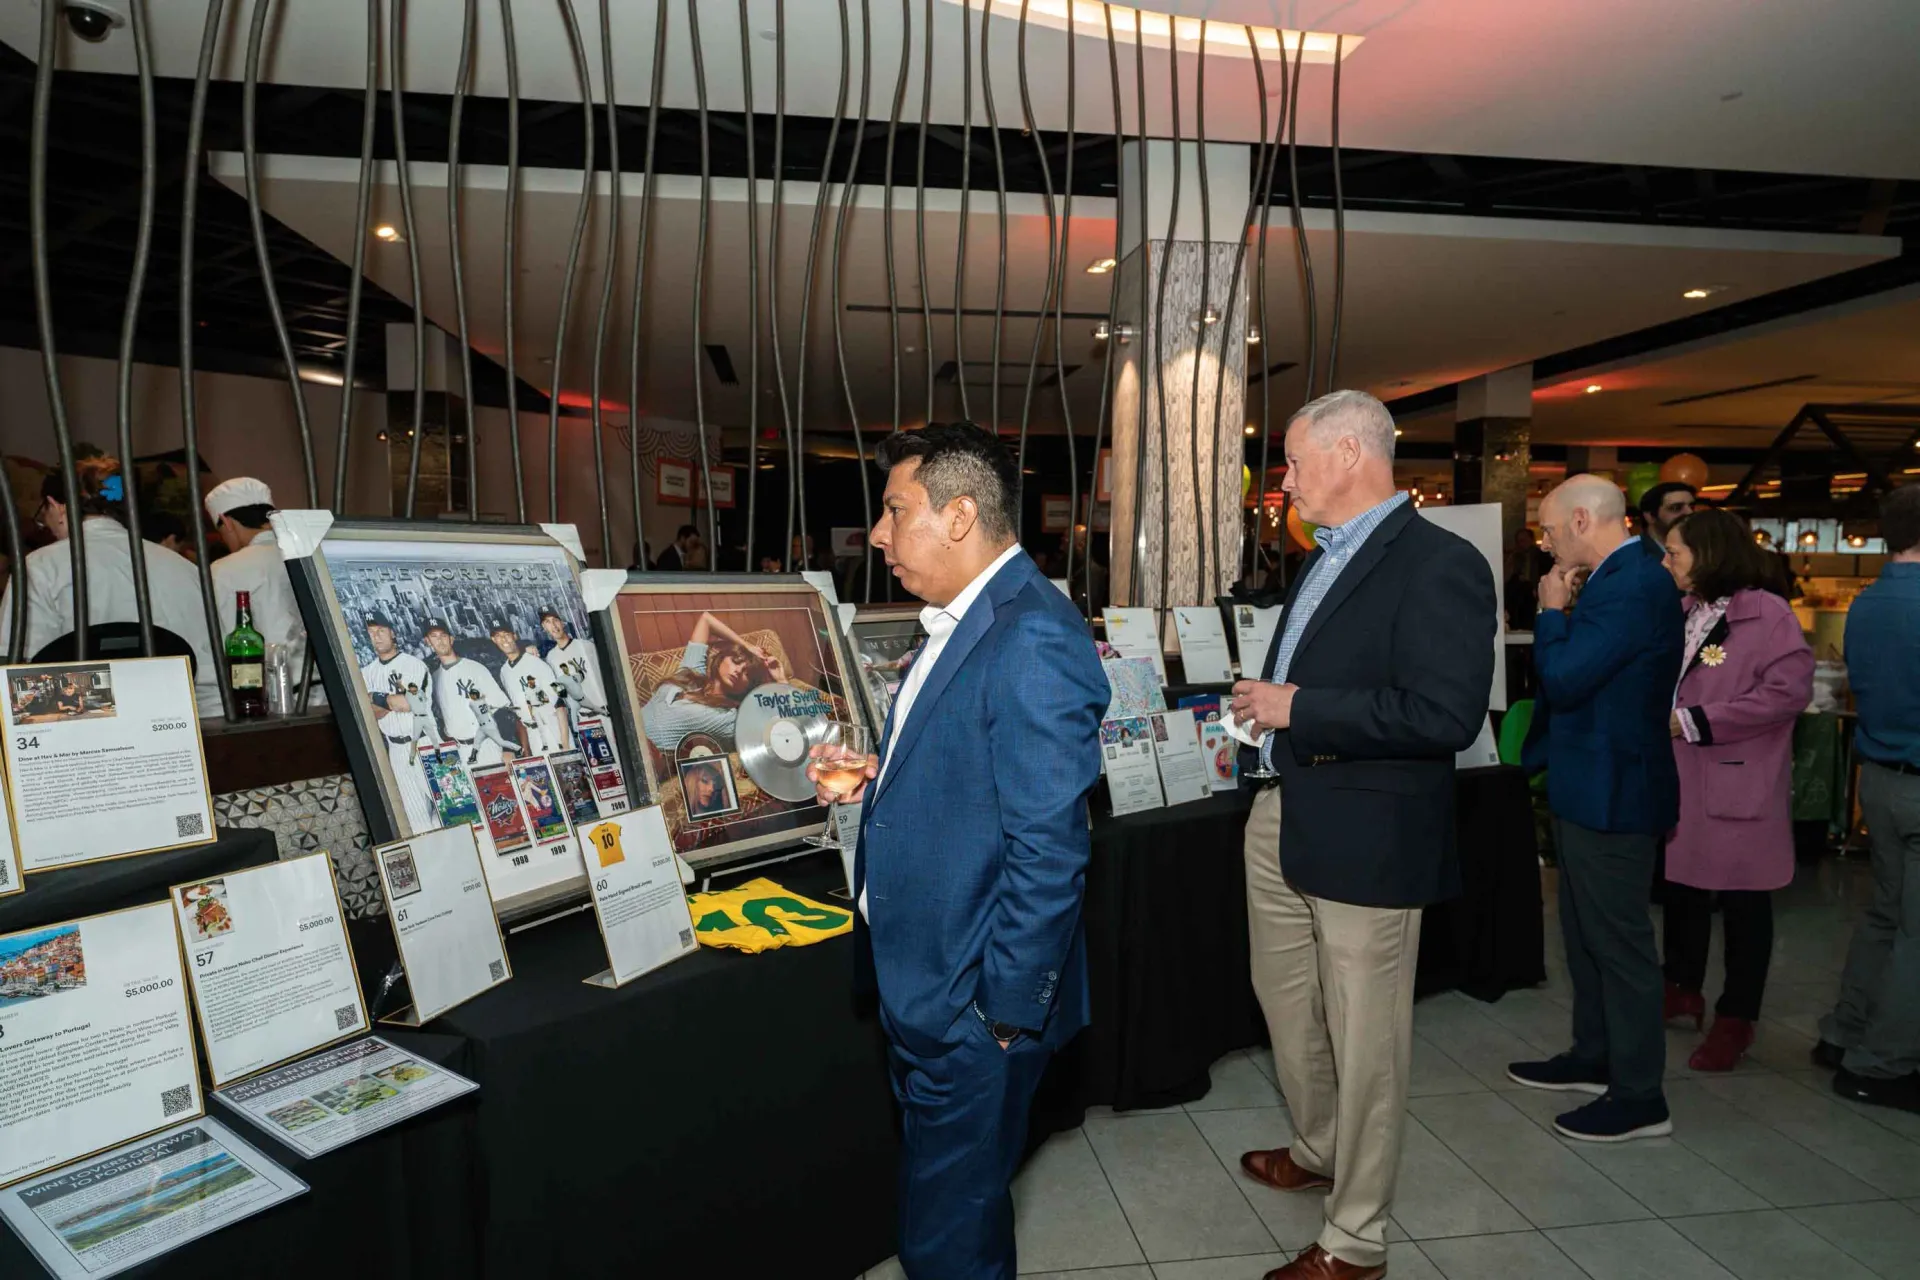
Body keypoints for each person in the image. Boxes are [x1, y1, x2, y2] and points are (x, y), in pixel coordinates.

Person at [804, 421, 1106, 1280]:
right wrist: (882, 776)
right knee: (951, 1214)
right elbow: (981, 771)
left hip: (971, 1007)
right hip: (928, 984)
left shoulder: (1032, 635)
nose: (881, 534)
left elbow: (1050, 853)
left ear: (962, 515)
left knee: (949, 1237)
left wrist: (1000, 1018)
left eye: (898, 512)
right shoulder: (969, 619)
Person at [1226, 391, 1495, 1280]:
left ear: (1349, 454)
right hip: (1285, 808)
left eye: (1296, 462)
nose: (1285, 480)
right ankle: (1317, 1147)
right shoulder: (1318, 559)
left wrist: (1300, 707)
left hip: (1370, 832)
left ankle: (1357, 1238)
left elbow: (1444, 714)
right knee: (1286, 998)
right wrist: (1268, 714)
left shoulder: (1438, 563)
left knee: (1367, 1037)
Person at [1508, 473, 1683, 1142]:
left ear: (1583, 519)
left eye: (1550, 530)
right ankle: (1594, 1054)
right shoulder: (1620, 577)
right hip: (1590, 779)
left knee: (1620, 943)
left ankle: (1640, 1095)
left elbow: (1567, 676)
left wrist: (1551, 613)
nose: (1547, 544)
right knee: (1584, 933)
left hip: (1617, 788)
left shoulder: (1635, 582)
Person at [1658, 509, 1814, 1071]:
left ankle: (1736, 1018)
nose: (1666, 562)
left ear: (1710, 554)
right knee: (1682, 888)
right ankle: (1680, 988)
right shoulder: (1681, 611)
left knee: (1746, 901)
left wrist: (1698, 718)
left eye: (1675, 552)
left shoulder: (1767, 614)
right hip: (1679, 774)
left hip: (1737, 775)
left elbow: (1788, 693)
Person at [1816, 484, 1920, 1112]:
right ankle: (1883, 1063)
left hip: (1880, 778)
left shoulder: (1870, 601)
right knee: (1915, 932)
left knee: (1886, 915)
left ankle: (1845, 1032)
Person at [0, 456, 222, 717]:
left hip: (86, 739)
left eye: (43, 517)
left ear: (57, 507)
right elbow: (212, 673)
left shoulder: (40, 567)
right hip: (186, 724)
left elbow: (22, 680)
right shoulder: (183, 567)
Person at [204, 477, 308, 683]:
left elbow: (219, 645)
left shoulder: (222, 570)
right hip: (331, 693)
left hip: (272, 696)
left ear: (226, 522)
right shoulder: (308, 554)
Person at [641, 611, 785, 755]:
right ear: (721, 659)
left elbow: (778, 730)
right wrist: (747, 646)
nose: (738, 671)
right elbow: (706, 619)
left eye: (747, 673)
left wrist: (781, 681)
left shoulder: (729, 718)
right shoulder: (692, 672)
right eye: (736, 661)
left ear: (749, 686)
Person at [359, 612, 439, 834]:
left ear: (392, 632)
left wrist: (377, 698)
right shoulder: (366, 672)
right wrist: (390, 702)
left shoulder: (413, 664)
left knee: (452, 809)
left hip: (426, 744)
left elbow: (409, 703)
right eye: (371, 632)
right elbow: (367, 713)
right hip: (396, 749)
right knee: (416, 821)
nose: (376, 636)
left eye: (381, 631)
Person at [426, 618, 517, 767]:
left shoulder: (475, 668)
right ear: (428, 642)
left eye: (443, 635)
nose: (440, 641)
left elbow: (501, 709)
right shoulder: (434, 679)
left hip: (487, 745)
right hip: (460, 752)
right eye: (434, 637)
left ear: (451, 639)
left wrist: (507, 748)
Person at [491, 620, 566, 755]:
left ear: (514, 636)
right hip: (533, 733)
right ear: (494, 640)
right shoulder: (504, 672)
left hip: (552, 726)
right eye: (498, 636)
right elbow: (519, 713)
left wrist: (565, 742)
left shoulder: (534, 660)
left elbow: (559, 701)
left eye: (506, 634)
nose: (503, 639)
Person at [540, 608, 608, 722]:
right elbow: (558, 689)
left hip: (604, 710)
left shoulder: (586, 646)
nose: (553, 625)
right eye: (548, 622)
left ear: (562, 623)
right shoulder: (550, 658)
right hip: (583, 717)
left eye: (555, 620)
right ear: (544, 627)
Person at [1637, 481, 1696, 556]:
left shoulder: (1699, 548)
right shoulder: (1634, 555)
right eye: (1676, 508)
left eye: (1692, 507)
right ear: (1650, 516)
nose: (1689, 512)